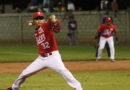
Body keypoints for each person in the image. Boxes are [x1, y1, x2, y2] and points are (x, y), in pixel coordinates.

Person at [6, 12, 83, 90]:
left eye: (41, 18)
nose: (39, 20)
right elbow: (38, 24)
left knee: (63, 71)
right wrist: (33, 23)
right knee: (24, 73)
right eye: (37, 19)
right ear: (34, 20)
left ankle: (78, 88)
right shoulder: (37, 29)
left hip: (53, 57)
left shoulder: (46, 25)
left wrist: (54, 20)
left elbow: (56, 28)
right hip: (41, 58)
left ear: (44, 19)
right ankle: (14, 88)